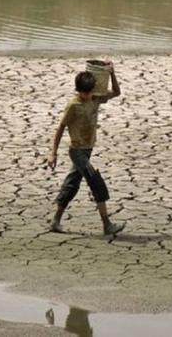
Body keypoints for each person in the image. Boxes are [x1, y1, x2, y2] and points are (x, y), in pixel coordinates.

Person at [47, 62, 125, 235]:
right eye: (84, 92)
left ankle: (55, 221)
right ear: (78, 90)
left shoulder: (95, 98)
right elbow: (60, 128)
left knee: (71, 185)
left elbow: (117, 92)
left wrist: (112, 73)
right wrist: (53, 153)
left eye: (89, 92)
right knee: (96, 182)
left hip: (88, 150)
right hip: (77, 151)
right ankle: (107, 224)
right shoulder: (73, 105)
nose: (87, 95)